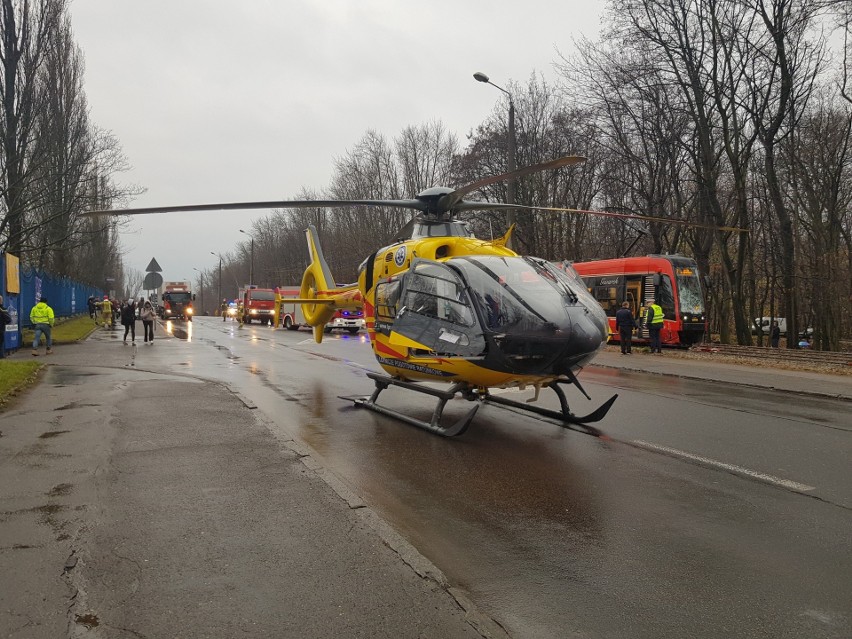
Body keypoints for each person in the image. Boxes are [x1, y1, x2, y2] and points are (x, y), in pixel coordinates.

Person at [0, 295, 10, 359]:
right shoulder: (3, 309)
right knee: (0, 343)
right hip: (0, 329)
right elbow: (8, 319)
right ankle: (1, 356)